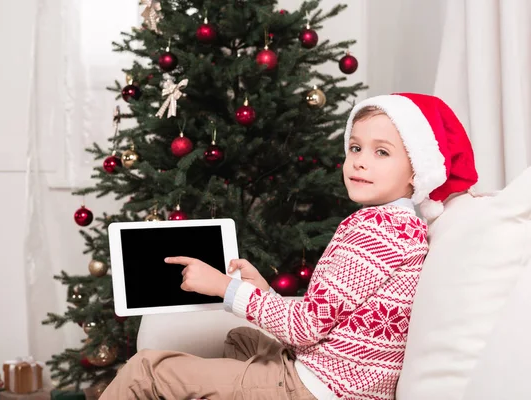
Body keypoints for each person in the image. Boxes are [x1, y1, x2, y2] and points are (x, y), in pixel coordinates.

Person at [100, 93, 478, 400]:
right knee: (239, 339)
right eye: (355, 148)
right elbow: (329, 316)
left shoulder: (377, 231)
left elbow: (307, 327)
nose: (360, 163)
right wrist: (260, 289)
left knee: (144, 370)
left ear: (418, 170)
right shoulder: (400, 225)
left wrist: (225, 288)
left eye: (382, 152)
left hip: (319, 389)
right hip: (336, 378)